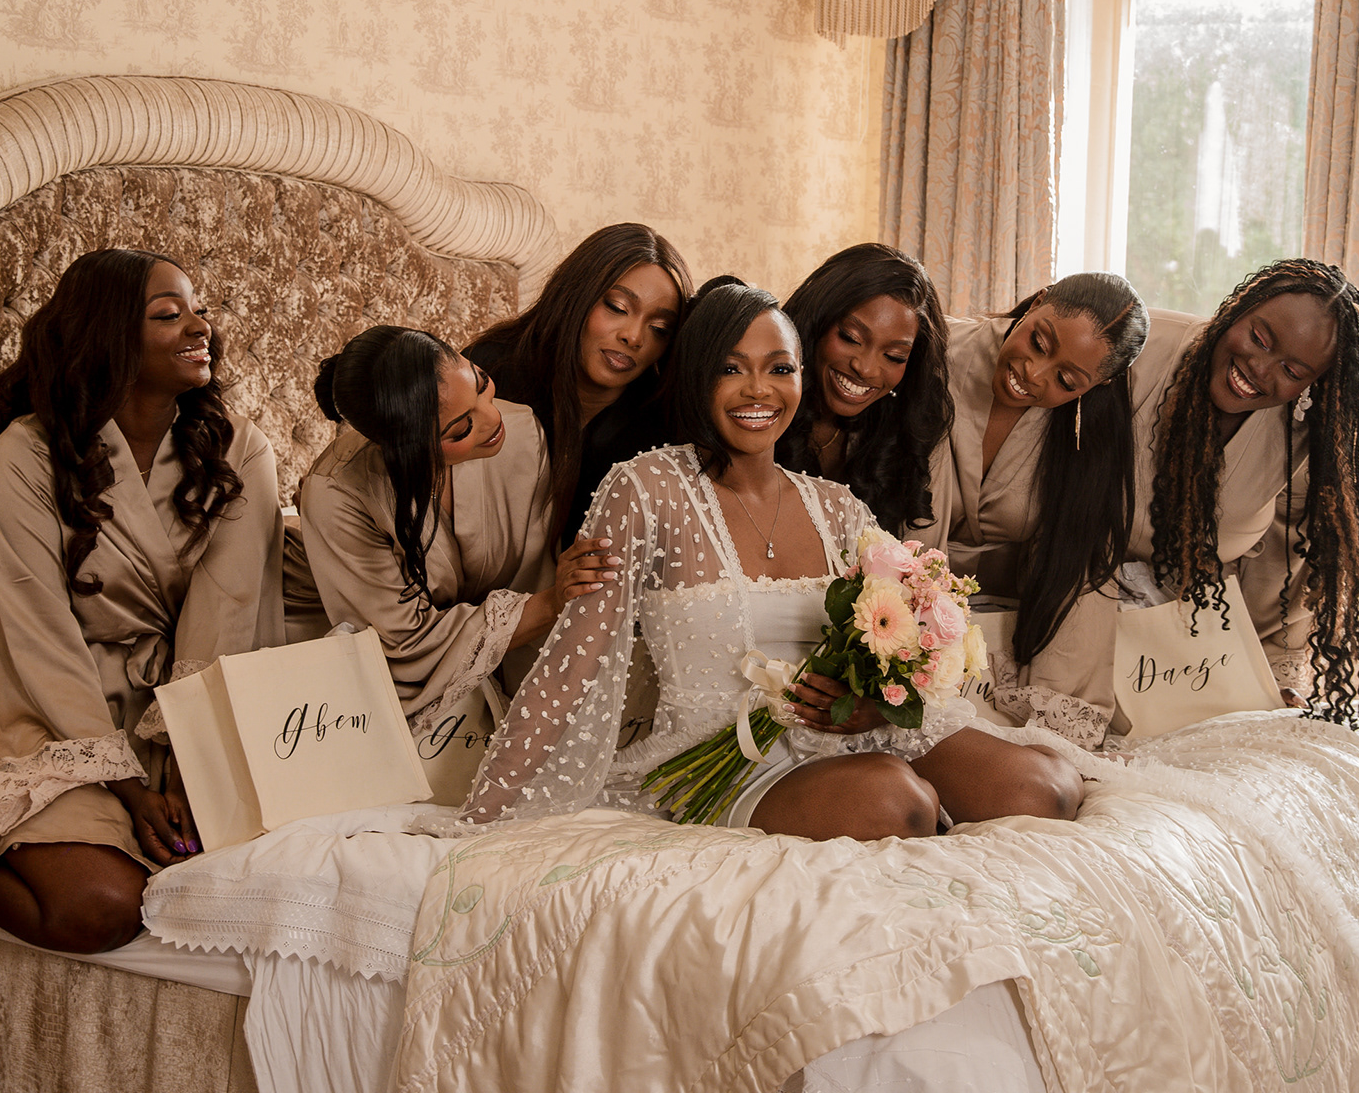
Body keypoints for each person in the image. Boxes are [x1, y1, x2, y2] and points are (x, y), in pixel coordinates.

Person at [460, 277, 1085, 839]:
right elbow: (572, 668)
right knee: (898, 801)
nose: (758, 389)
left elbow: (913, 626)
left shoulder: (837, 508)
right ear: (696, 377)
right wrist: (483, 819)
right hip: (728, 759)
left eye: (779, 368)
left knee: (1045, 790)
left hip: (858, 736)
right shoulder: (645, 490)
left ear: (801, 378)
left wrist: (876, 704)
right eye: (731, 369)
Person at [0, 250, 285, 954]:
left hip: (181, 712)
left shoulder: (239, 451)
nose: (200, 327)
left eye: (199, 309)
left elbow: (227, 619)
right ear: (108, 336)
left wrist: (189, 772)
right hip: (39, 707)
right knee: (102, 909)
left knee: (260, 867)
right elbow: (35, 634)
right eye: (168, 314)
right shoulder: (28, 453)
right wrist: (128, 788)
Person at [298, 327, 611, 731]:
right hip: (353, 629)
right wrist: (551, 602)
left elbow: (531, 578)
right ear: (406, 447)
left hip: (504, 645)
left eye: (481, 384)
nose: (493, 418)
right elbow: (402, 646)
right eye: (461, 429)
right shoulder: (337, 493)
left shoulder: (520, 431)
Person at [1132, 258, 1359, 727]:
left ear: (1311, 384)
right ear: (1236, 311)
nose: (1260, 368)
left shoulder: (1301, 443)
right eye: (1260, 339)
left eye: (1292, 369)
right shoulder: (1139, 351)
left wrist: (1267, 679)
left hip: (1173, 647)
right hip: (1053, 605)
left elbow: (1279, 581)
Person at [917, 275, 1150, 749]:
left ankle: (1059, 728)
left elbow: (1075, 563)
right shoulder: (935, 354)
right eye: (1039, 342)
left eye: (1066, 380)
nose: (1034, 374)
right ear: (1037, 302)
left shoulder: (1086, 435)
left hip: (1007, 600)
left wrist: (1056, 725)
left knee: (1088, 538)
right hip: (898, 585)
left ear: (1097, 385)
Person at [465, 223, 691, 543]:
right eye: (617, 307)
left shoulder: (662, 428)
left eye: (660, 329)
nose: (634, 336)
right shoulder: (488, 374)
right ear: (577, 294)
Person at [773, 243, 952, 538]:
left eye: (894, 356)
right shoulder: (762, 405)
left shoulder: (900, 432)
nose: (866, 369)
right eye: (850, 337)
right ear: (817, 322)